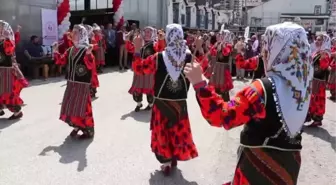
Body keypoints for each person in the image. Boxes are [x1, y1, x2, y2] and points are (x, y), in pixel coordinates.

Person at [184, 22, 313, 185]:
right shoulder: (304, 88)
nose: (264, 53)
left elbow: (223, 116)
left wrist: (199, 84)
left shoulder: (262, 89)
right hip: (289, 166)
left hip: (258, 165)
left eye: (267, 47)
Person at [133, 23, 198, 176]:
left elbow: (139, 68)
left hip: (162, 103)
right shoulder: (189, 56)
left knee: (162, 132)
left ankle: (166, 162)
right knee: (176, 130)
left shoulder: (159, 57)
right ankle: (173, 156)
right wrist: (199, 50)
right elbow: (202, 70)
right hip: (179, 103)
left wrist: (137, 49)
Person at [53, 24, 95, 139]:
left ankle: (87, 130)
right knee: (70, 106)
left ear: (82, 35)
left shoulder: (86, 49)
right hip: (71, 83)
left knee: (82, 108)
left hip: (81, 84)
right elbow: (61, 61)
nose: (73, 34)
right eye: (73, 32)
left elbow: (91, 65)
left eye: (76, 32)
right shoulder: (70, 50)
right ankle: (76, 126)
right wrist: (56, 51)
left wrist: (88, 55)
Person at [0, 20, 24, 120]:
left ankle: (17, 112)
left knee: (7, 93)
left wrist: (6, 38)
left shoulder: (8, 41)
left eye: (1, 27)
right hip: (1, 69)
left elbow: (9, 51)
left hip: (7, 71)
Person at [306, 34, 331, 127]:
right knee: (311, 100)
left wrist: (323, 58)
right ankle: (310, 117)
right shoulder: (316, 52)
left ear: (324, 42)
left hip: (319, 82)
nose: (317, 41)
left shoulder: (325, 53)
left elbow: (324, 67)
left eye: (320, 40)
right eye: (316, 39)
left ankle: (317, 119)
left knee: (318, 101)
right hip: (313, 79)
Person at [128, 27, 156, 112]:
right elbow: (130, 49)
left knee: (149, 87)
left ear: (152, 33)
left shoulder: (154, 44)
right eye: (145, 32)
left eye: (149, 32)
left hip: (149, 70)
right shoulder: (139, 41)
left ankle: (150, 104)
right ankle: (139, 103)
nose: (147, 33)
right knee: (138, 86)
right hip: (138, 68)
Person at [208, 27, 234, 101]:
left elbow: (225, 54)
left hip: (223, 68)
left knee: (224, 89)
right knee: (216, 88)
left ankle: (227, 104)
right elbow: (212, 52)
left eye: (222, 35)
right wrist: (217, 45)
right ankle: (216, 103)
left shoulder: (229, 45)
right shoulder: (219, 44)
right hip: (218, 67)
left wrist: (222, 45)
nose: (220, 36)